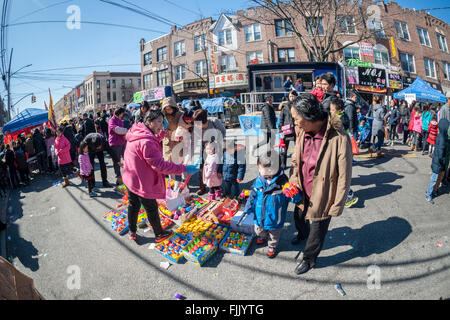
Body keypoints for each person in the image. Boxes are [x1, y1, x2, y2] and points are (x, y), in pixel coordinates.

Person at [289, 93, 352, 275]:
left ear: (310, 118)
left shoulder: (339, 138)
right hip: (302, 187)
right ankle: (302, 234)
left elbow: (344, 176)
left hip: (324, 193)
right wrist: (294, 180)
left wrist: (337, 203)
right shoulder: (302, 131)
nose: (295, 123)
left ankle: (309, 259)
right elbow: (296, 159)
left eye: (296, 119)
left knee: (317, 230)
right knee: (299, 216)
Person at [122, 109, 199, 242]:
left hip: (131, 178)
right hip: (142, 181)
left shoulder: (137, 131)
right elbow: (161, 166)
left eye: (162, 121)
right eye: (158, 121)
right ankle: (159, 234)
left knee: (133, 205)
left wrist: (161, 133)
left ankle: (132, 231)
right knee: (151, 208)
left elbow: (149, 140)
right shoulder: (147, 142)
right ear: (148, 121)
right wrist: (184, 168)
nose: (161, 124)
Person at [243, 150, 300, 258]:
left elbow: (293, 199)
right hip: (260, 215)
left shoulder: (283, 184)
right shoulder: (259, 180)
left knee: (274, 235)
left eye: (261, 169)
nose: (259, 171)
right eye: (259, 168)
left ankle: (272, 246)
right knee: (259, 230)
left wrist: (294, 194)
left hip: (275, 217)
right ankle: (262, 237)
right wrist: (248, 208)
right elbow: (252, 196)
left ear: (271, 170)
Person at [329, 98, 358, 208]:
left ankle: (348, 194)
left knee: (341, 175)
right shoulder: (338, 117)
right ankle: (344, 195)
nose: (330, 112)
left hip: (341, 149)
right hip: (337, 149)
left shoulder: (342, 119)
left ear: (339, 110)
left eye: (332, 110)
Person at [192, 108, 226, 195]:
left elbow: (223, 131)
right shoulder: (197, 127)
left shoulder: (214, 122)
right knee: (202, 167)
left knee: (216, 168)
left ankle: (217, 186)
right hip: (204, 148)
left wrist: (219, 141)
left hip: (216, 148)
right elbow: (195, 140)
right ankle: (202, 187)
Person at [426, 118, 449, 204]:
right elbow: (440, 152)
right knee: (434, 179)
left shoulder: (441, 135)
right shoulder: (443, 138)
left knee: (438, 178)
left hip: (438, 162)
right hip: (438, 163)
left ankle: (434, 191)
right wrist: (441, 162)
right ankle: (428, 194)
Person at [108, 107, 128, 186]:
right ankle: (118, 177)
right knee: (117, 161)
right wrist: (127, 130)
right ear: (119, 113)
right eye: (122, 113)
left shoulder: (120, 120)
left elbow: (122, 132)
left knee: (126, 159)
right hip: (115, 143)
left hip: (122, 142)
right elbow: (117, 130)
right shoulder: (112, 120)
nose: (123, 115)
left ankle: (126, 176)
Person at [278, 90, 297, 168]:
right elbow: (281, 119)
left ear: (296, 96)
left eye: (293, 96)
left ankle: (297, 163)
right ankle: (283, 164)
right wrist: (280, 130)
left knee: (298, 148)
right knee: (284, 148)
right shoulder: (285, 107)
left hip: (296, 130)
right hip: (286, 130)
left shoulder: (299, 105)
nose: (291, 98)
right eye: (290, 96)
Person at [161, 97, 183, 163]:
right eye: (166, 109)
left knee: (179, 159)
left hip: (178, 140)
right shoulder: (162, 116)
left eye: (169, 109)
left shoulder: (180, 114)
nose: (168, 111)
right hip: (167, 141)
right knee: (168, 160)